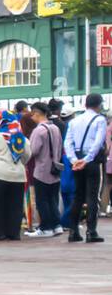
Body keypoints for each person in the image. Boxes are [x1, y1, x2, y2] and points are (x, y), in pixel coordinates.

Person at [64, 92, 107, 243]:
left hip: (76, 159)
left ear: (85, 104)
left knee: (78, 195)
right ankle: (91, 231)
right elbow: (98, 142)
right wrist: (88, 159)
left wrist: (74, 160)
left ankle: (73, 231)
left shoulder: (75, 121)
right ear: (99, 105)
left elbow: (67, 142)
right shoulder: (100, 120)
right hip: (92, 161)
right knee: (92, 196)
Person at [26, 103, 64, 238]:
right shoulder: (55, 128)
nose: (31, 117)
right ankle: (57, 225)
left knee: (42, 200)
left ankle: (45, 228)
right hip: (55, 168)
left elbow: (33, 150)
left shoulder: (38, 130)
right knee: (53, 199)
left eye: (32, 114)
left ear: (37, 113)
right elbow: (60, 147)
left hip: (41, 169)